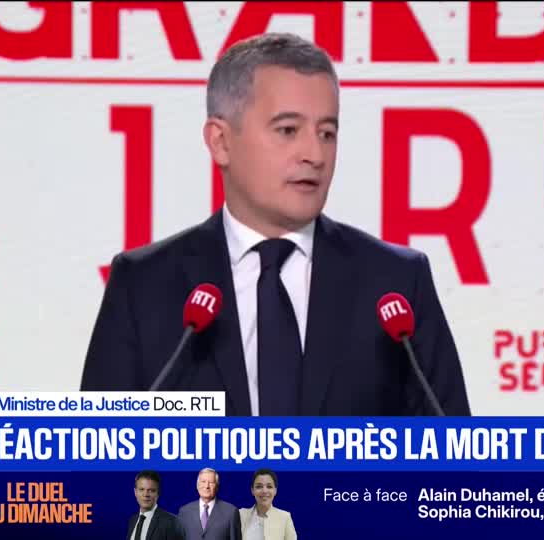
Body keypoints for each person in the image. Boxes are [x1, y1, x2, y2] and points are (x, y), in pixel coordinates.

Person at [80, 32, 472, 417]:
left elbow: (454, 448)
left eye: (327, 133)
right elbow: (96, 448)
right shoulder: (144, 285)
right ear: (220, 141)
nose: (315, 154)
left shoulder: (395, 283)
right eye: (288, 130)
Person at [177, 468, 242, 540]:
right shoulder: (184, 512)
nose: (207, 486)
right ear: (197, 485)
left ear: (217, 486)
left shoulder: (231, 512)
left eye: (211, 482)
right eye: (203, 482)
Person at [127, 471, 187, 540]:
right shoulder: (133, 520)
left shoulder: (172, 522)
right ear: (135, 492)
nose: (145, 494)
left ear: (158, 493)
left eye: (151, 490)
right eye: (141, 489)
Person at [239, 469, 296, 540]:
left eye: (269, 486)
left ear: (275, 491)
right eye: (259, 487)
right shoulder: (241, 515)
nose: (264, 491)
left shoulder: (285, 517)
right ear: (252, 490)